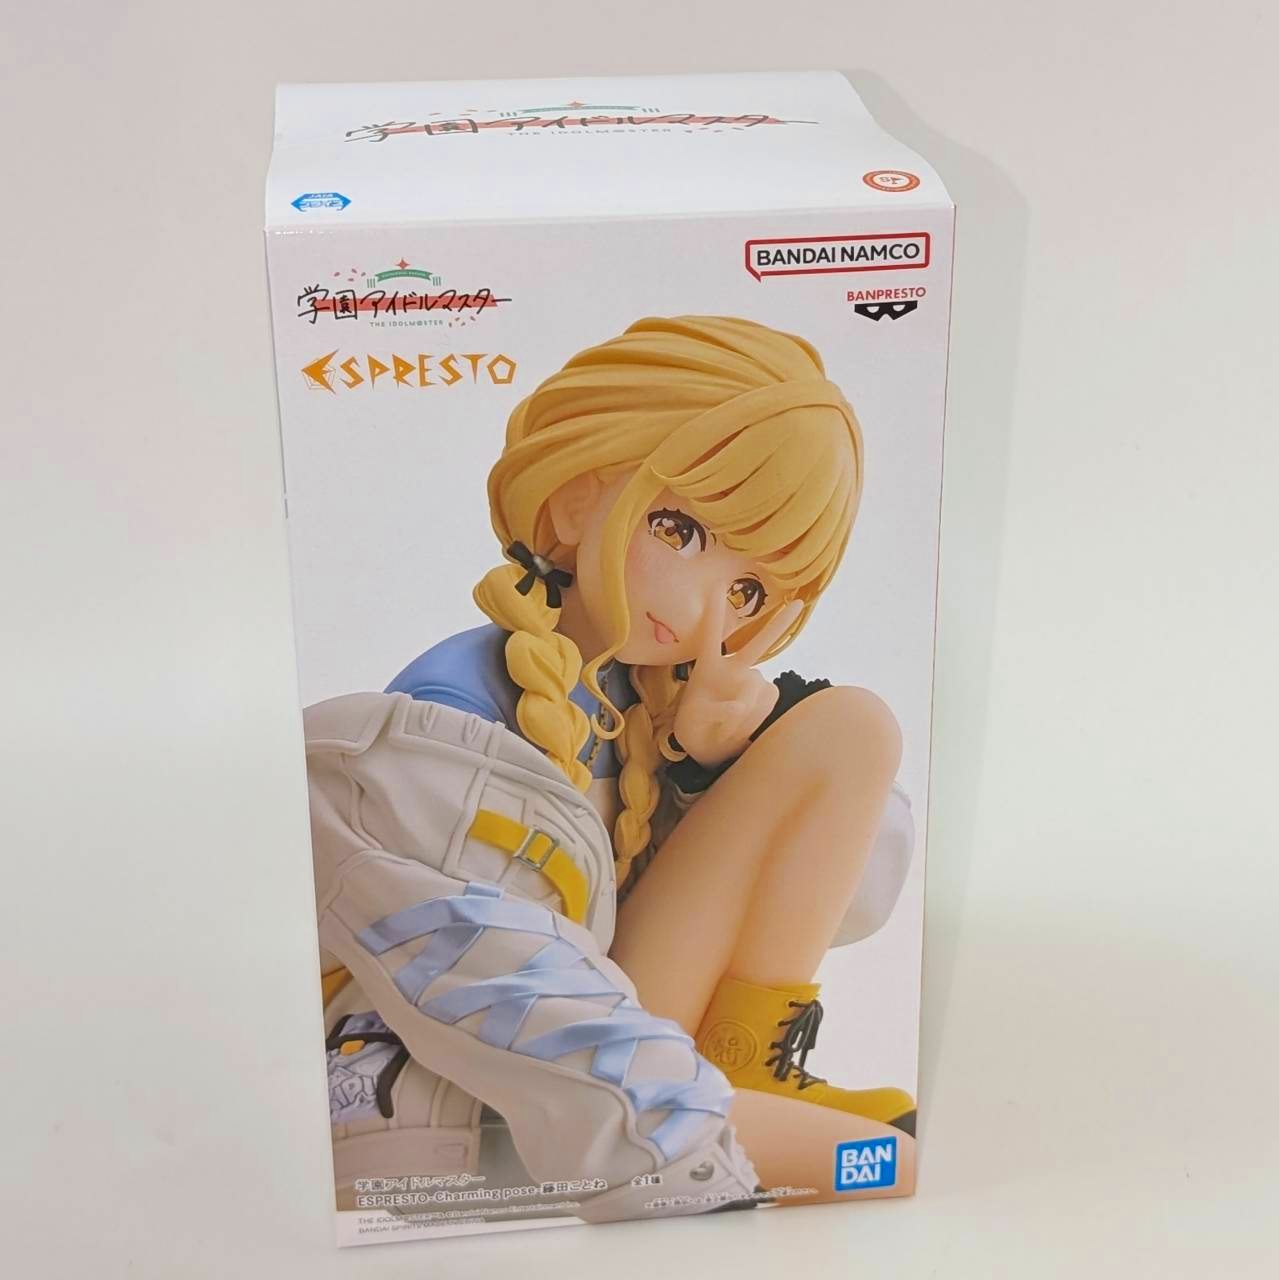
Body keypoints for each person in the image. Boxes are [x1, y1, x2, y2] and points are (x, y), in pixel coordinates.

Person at [309, 315, 916, 1218]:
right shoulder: (447, 714)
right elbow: (498, 995)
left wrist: (710, 769)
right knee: (890, 1161)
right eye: (680, 530)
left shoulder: (641, 704)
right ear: (572, 502)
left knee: (849, 727)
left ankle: (753, 1065)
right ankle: (722, 1105)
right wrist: (682, 1135)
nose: (706, 605)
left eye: (746, 590)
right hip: (497, 1102)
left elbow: (856, 898)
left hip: (629, 1045)